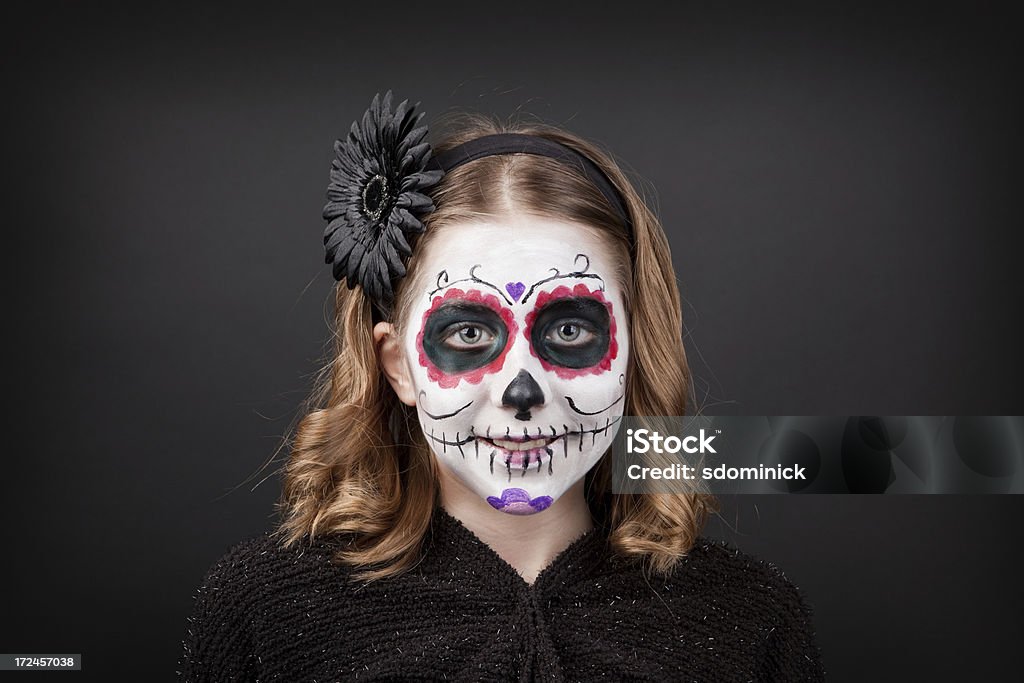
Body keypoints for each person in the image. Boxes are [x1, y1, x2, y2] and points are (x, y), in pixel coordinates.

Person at [177, 92, 825, 681]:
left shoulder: (750, 617)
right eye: (466, 335)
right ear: (397, 364)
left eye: (570, 332)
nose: (523, 389)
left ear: (632, 350)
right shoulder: (264, 613)